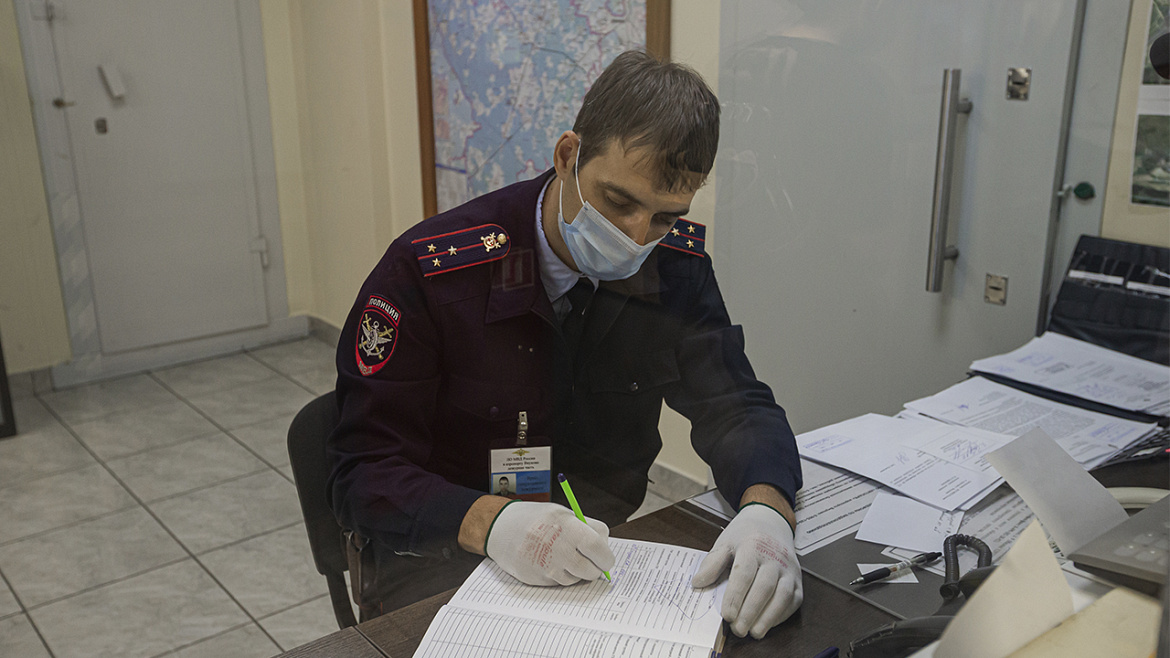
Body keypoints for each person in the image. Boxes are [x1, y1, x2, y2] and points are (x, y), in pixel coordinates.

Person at [327, 50, 804, 639]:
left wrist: (766, 509)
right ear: (567, 156)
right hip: (442, 557)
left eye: (664, 217)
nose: (636, 237)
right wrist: (494, 523)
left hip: (604, 552)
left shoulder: (672, 267)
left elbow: (735, 405)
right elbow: (362, 472)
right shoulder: (434, 274)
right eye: (618, 201)